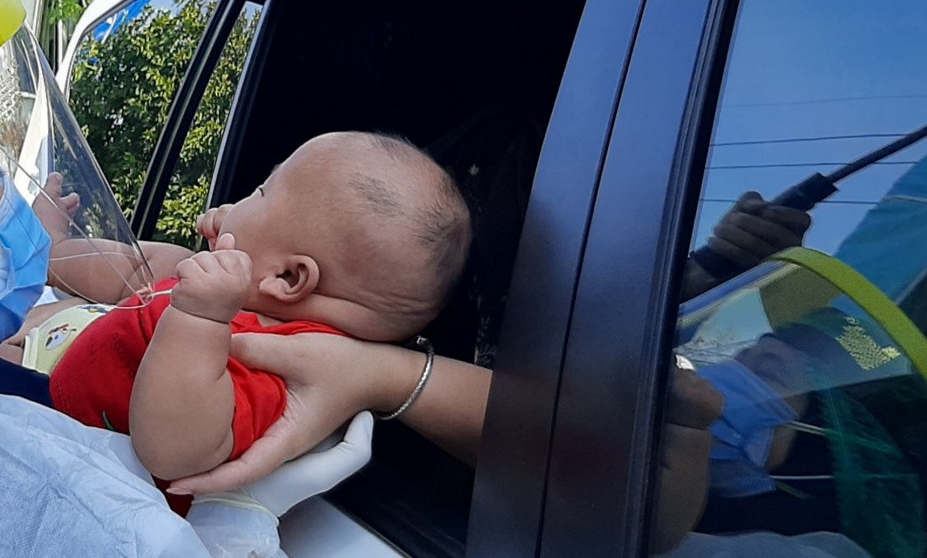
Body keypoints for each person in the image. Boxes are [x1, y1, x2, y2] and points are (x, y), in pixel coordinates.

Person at [160, 192, 813, 518]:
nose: (212, 210)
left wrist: (378, 375)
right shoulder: (220, 292)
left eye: (262, 191)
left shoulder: (289, 343)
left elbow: (627, 498)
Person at [49, 132, 471, 483]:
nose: (236, 201)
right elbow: (131, 269)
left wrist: (199, 320)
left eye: (261, 191)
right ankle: (52, 250)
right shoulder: (240, 300)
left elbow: (173, 452)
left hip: (62, 449)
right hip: (56, 386)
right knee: (164, 262)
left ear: (287, 278)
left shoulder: (283, 370)